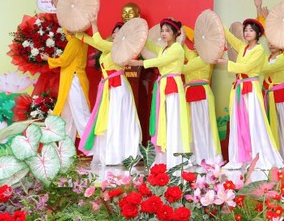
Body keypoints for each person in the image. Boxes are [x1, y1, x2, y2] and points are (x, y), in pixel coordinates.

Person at [218, 18, 282, 170]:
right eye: (245, 30)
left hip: (251, 90)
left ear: (258, 34)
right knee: (239, 121)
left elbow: (246, 67)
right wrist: (219, 25)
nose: (247, 33)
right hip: (240, 89)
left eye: (251, 30)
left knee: (253, 121)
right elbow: (231, 39)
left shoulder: (259, 50)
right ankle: (241, 156)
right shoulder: (244, 47)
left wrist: (227, 63)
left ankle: (257, 156)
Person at [77, 19, 141, 165]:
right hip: (108, 86)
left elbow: (98, 42)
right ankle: (109, 154)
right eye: (114, 31)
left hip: (118, 87)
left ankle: (121, 154)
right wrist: (76, 35)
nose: (115, 34)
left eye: (119, 32)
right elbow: (94, 42)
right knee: (108, 119)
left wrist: (94, 24)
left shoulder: (118, 48)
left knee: (117, 118)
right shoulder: (108, 48)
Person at [128, 18, 189, 169]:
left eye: (167, 30)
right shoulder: (163, 49)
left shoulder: (177, 49)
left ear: (176, 33)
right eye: (162, 30)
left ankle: (175, 158)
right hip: (163, 87)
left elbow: (160, 61)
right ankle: (164, 158)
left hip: (172, 87)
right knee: (163, 122)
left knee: (173, 122)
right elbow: (151, 46)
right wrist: (139, 37)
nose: (163, 33)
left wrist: (139, 63)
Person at [41, 26, 91, 142]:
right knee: (68, 116)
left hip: (74, 81)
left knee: (81, 115)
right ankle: (66, 150)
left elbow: (64, 61)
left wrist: (49, 59)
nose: (68, 29)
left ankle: (94, 148)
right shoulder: (81, 41)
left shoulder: (75, 42)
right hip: (71, 81)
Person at [182, 43, 221, 165]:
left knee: (204, 126)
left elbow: (183, 69)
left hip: (202, 94)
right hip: (191, 94)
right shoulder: (194, 57)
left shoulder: (205, 58)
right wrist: (182, 41)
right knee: (194, 126)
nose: (195, 44)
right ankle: (196, 155)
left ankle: (208, 156)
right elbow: (187, 51)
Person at [261, 44, 284, 157]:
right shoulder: (266, 58)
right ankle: (270, 153)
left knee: (283, 125)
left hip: (279, 97)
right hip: (267, 95)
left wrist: (250, 65)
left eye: (274, 42)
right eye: (270, 42)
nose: (271, 45)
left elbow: (266, 68)